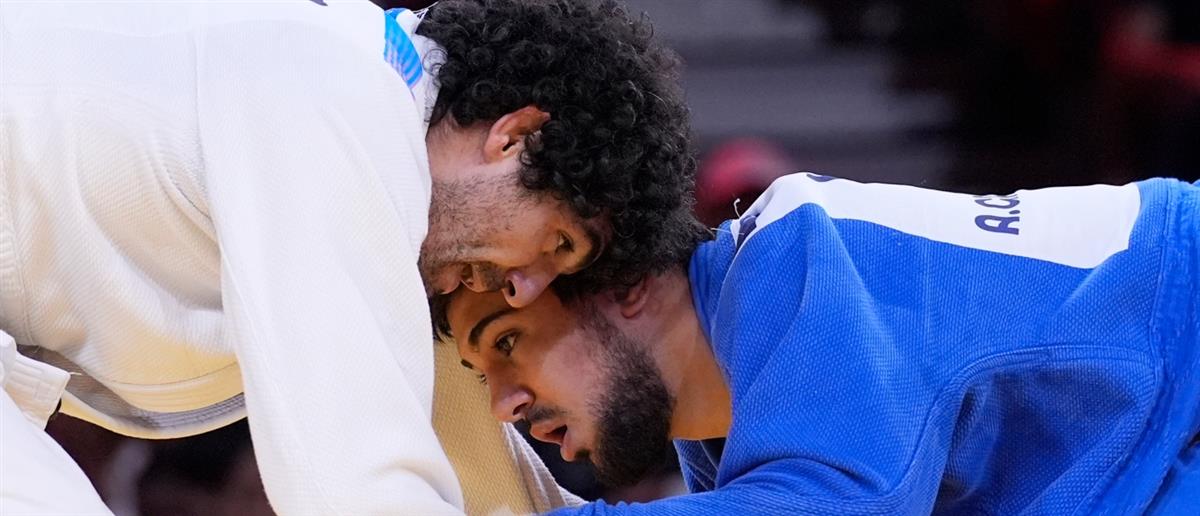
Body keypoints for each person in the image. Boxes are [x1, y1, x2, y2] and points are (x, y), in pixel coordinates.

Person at [0, 0, 698, 513]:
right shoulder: (343, 100)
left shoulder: (382, 141)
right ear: (516, 139)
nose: (523, 288)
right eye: (556, 244)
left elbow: (488, 490)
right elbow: (357, 492)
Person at [438, 174, 1200, 514]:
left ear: (622, 285)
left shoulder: (803, 257)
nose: (505, 405)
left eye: (506, 340)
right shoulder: (740, 427)